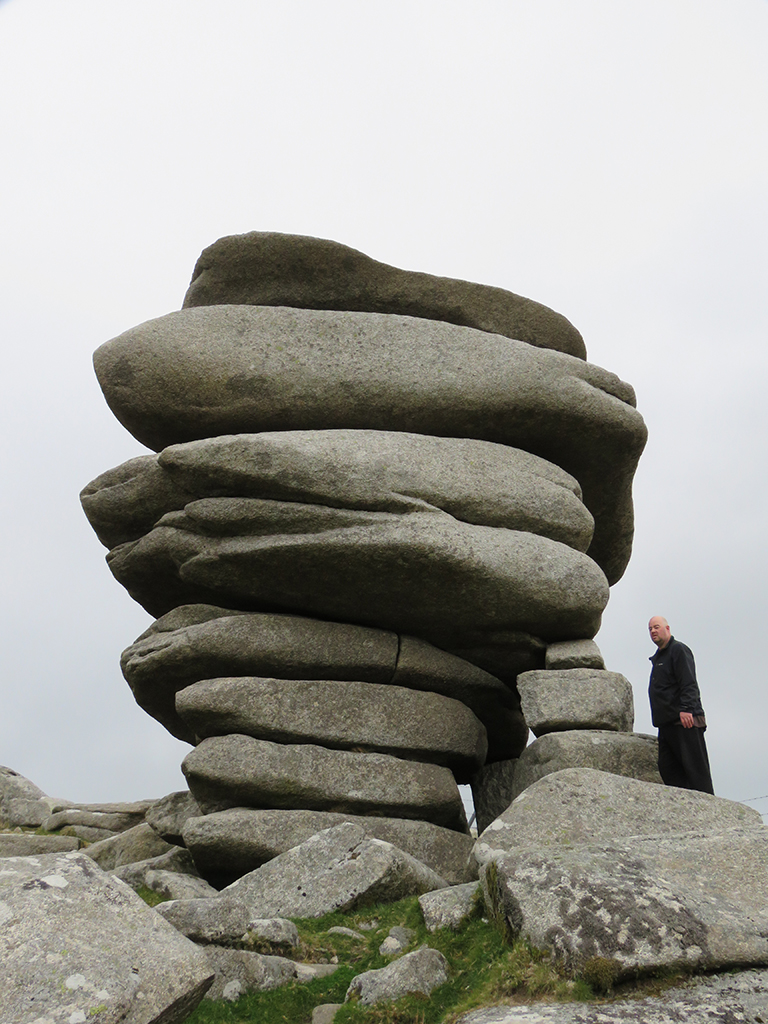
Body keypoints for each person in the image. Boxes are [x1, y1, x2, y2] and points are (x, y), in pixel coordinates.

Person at [648, 615, 714, 794]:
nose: (653, 631)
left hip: (684, 721)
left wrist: (686, 709)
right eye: (650, 629)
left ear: (667, 629)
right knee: (668, 769)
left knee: (695, 771)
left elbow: (688, 682)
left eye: (656, 627)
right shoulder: (659, 657)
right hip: (666, 724)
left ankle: (709, 811)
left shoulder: (678, 650)